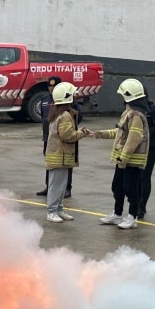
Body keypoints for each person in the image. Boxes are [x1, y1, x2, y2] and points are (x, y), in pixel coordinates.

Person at [94, 78, 150, 230]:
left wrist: (124, 157)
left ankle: (132, 217)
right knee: (117, 187)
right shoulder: (129, 113)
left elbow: (134, 138)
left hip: (130, 160)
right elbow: (120, 132)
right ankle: (117, 214)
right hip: (123, 159)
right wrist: (101, 134)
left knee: (131, 189)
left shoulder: (136, 115)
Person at [44, 82, 89, 223]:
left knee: (61, 185)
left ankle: (59, 208)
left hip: (61, 156)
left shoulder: (59, 112)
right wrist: (82, 133)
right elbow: (67, 136)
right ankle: (52, 211)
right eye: (73, 94)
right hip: (60, 156)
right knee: (56, 185)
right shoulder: (64, 116)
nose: (75, 96)